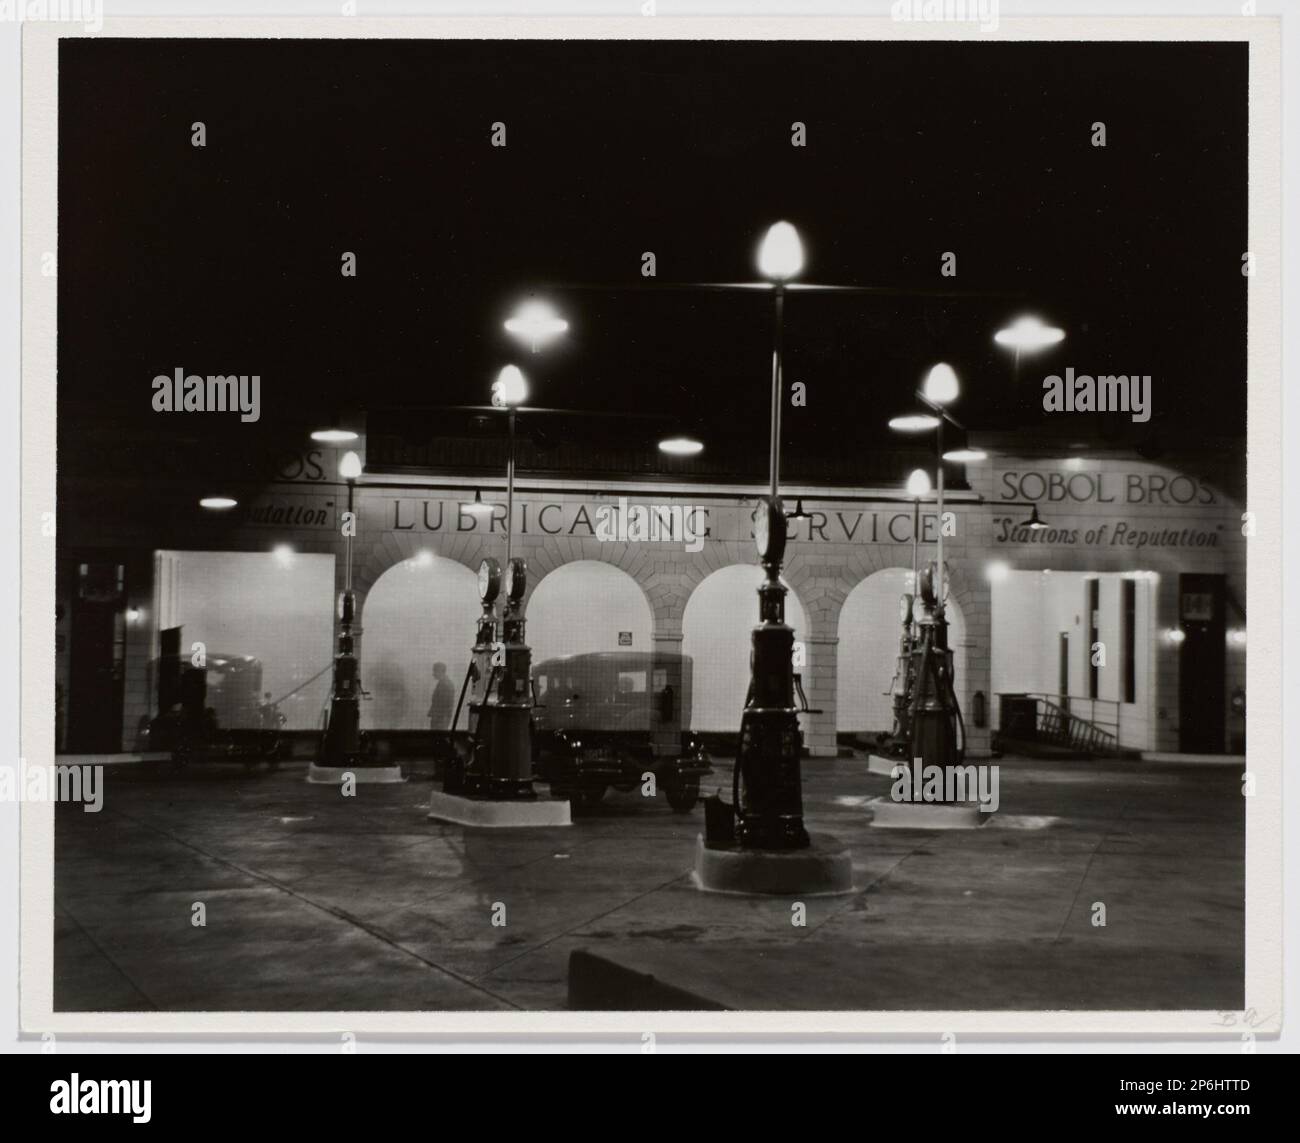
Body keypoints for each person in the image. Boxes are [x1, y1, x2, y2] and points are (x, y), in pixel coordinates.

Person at [428, 662, 456, 730]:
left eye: (435, 671)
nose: (433, 674)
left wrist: (438, 717)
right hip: (440, 718)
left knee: (437, 737)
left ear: (440, 671)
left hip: (440, 719)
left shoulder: (445, 685)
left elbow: (444, 705)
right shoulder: (444, 683)